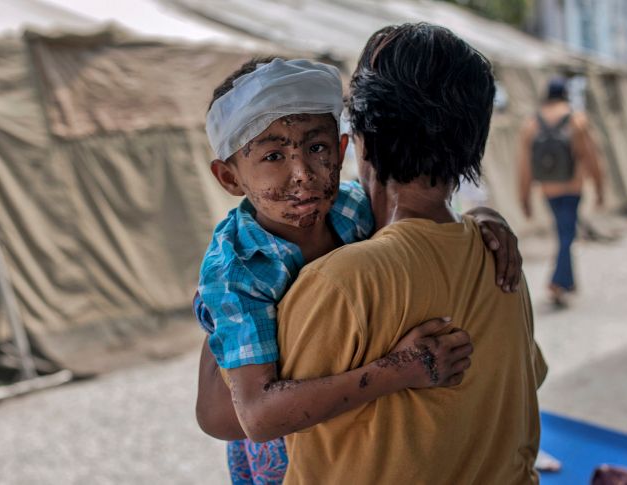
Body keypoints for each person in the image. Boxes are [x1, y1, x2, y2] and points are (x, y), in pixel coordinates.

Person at [193, 57, 524, 484]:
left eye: (317, 148)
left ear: (343, 149)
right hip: (279, 454)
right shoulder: (239, 271)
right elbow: (256, 416)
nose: (302, 174)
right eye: (273, 156)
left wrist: (483, 217)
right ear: (229, 178)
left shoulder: (352, 207)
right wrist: (399, 370)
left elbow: (420, 209)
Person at [275, 23, 547, 484]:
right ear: (474, 141)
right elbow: (525, 379)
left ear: (361, 138)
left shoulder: (338, 282)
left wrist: (232, 282)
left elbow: (237, 416)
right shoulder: (500, 259)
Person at [518, 76, 605, 306]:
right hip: (572, 188)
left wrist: (524, 197)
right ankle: (558, 282)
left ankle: (568, 281)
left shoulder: (531, 124)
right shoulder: (576, 119)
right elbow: (591, 156)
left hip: (548, 190)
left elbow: (524, 166)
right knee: (567, 234)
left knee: (564, 231)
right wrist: (599, 186)